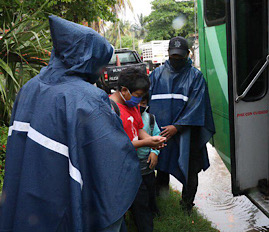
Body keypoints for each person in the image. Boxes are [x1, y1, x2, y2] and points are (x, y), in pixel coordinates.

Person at [0, 16, 141, 232]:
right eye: (101, 64)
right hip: (63, 200)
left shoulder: (28, 89)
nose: (102, 72)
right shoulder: (86, 98)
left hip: (27, 195)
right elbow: (111, 161)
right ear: (88, 58)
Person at [149, 36, 215, 213]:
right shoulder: (156, 75)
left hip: (188, 134)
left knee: (190, 168)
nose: (176, 60)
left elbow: (198, 106)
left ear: (188, 54)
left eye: (180, 56)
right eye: (173, 57)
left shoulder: (196, 77)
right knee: (162, 168)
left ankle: (186, 205)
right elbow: (146, 102)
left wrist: (177, 127)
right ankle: (161, 203)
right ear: (169, 54)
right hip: (162, 133)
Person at [109, 69, 166, 232]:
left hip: (135, 168)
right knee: (118, 212)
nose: (140, 100)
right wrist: (147, 142)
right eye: (137, 95)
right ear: (124, 90)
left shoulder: (131, 105)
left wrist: (152, 141)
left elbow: (139, 128)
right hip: (119, 171)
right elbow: (117, 144)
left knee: (142, 205)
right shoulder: (110, 109)